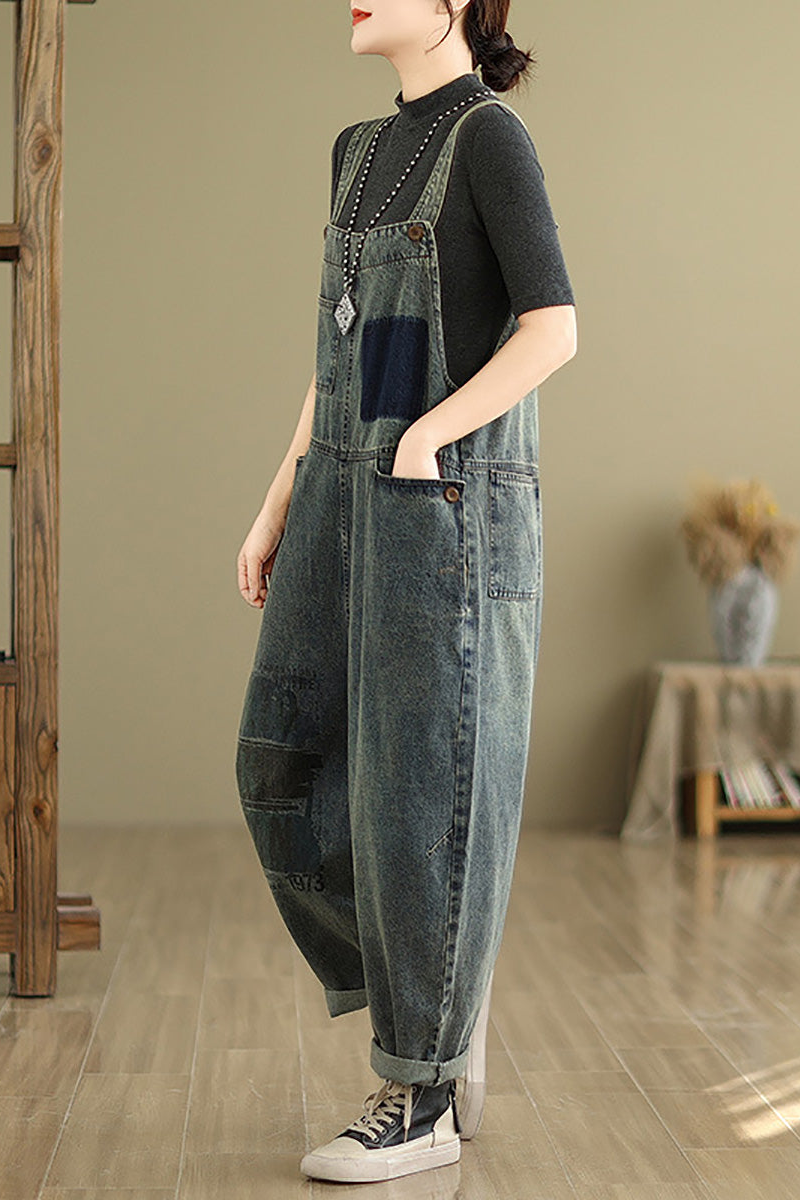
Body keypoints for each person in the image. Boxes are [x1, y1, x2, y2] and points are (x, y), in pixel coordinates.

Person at [235, 0, 576, 1184]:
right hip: (340, 490)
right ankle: (441, 997)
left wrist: (429, 436)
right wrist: (279, 498)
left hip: (438, 508)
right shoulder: (357, 151)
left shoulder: (491, 139)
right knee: (279, 762)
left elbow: (553, 329)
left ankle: (422, 1093)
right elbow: (335, 357)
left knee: (421, 800)